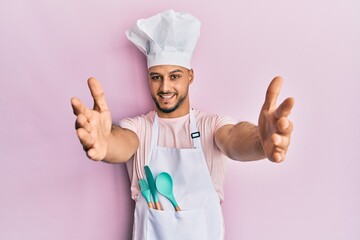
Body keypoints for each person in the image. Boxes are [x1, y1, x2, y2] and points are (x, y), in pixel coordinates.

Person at [71, 9, 294, 240]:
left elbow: (233, 139)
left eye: (175, 76)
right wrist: (104, 142)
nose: (165, 87)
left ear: (190, 76)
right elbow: (122, 142)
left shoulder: (211, 126)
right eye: (156, 77)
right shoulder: (140, 128)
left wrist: (260, 142)